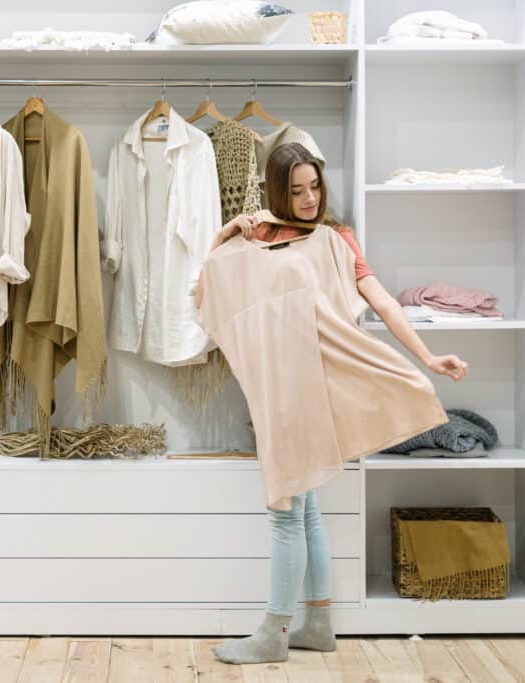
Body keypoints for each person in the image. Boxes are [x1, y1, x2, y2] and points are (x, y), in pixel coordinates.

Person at [201, 142, 469, 665]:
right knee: (305, 511)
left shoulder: (337, 239)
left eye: (315, 187)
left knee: (285, 511)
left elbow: (382, 301)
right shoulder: (260, 234)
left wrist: (428, 357)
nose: (309, 199)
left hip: (312, 392)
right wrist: (230, 230)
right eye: (296, 190)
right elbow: (213, 279)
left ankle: (273, 634)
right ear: (277, 191)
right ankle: (319, 624)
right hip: (279, 389)